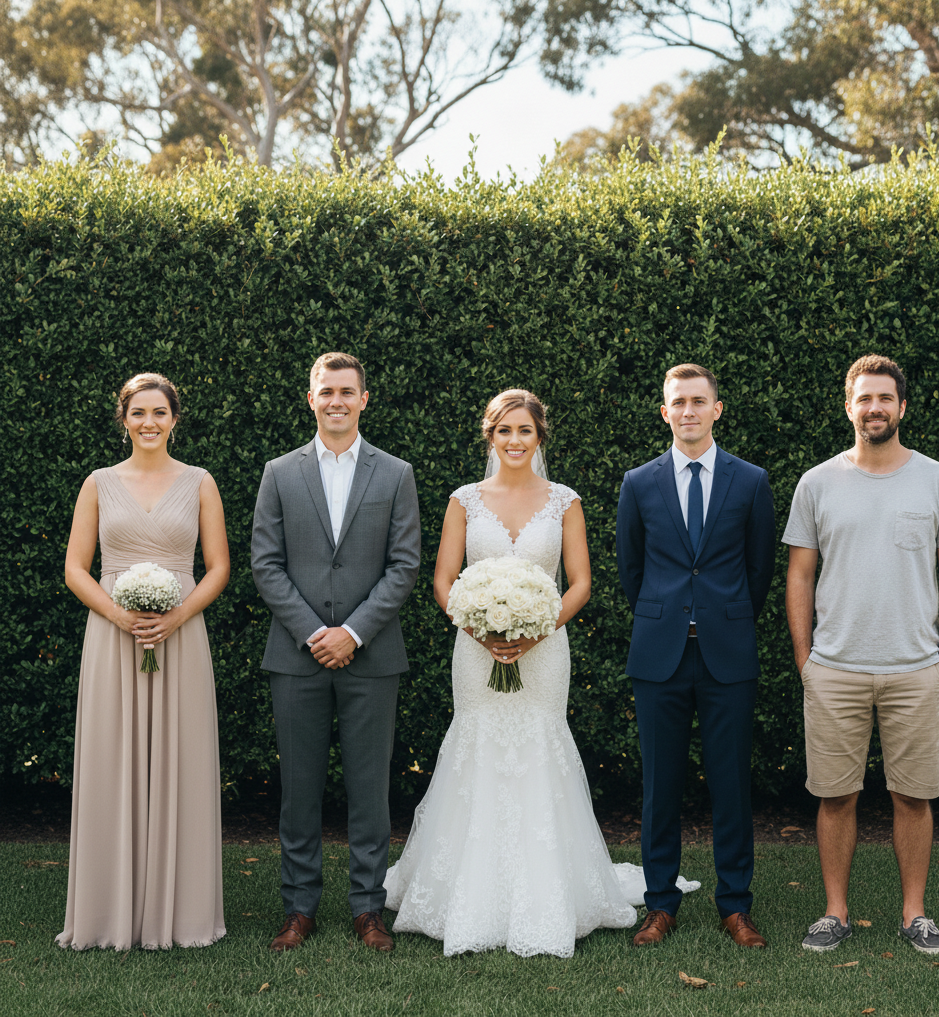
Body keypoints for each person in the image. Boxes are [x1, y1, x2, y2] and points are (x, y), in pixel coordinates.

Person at [383, 389, 696, 957]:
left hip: (546, 647)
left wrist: (537, 629)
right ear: (490, 436)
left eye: (524, 430)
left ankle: (551, 892)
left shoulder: (564, 502)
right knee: (476, 742)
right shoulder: (464, 501)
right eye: (504, 431)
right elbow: (442, 578)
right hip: (476, 650)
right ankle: (467, 893)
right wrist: (479, 629)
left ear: (539, 436)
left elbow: (579, 581)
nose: (514, 441)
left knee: (540, 744)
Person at [784, 354, 939, 955]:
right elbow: (799, 576)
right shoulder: (817, 482)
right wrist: (806, 659)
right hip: (834, 669)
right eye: (864, 398)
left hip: (915, 670)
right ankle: (835, 912)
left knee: (912, 795)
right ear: (848, 406)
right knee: (835, 795)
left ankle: (914, 913)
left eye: (884, 398)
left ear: (902, 407)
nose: (874, 408)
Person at [251, 352, 420, 954]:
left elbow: (404, 566)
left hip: (372, 658)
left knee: (370, 790)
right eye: (327, 391)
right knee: (299, 789)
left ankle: (368, 908)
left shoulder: (395, 473)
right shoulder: (280, 471)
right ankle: (299, 908)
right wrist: (312, 631)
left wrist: (352, 632)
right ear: (311, 398)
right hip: (296, 657)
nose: (337, 401)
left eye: (347, 391)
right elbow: (265, 564)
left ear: (364, 399)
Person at [58, 373, 230, 950]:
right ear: (124, 419)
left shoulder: (201, 482)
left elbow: (219, 567)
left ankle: (179, 913)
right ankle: (110, 912)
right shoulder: (99, 484)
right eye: (138, 413)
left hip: (181, 635)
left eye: (159, 412)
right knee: (113, 758)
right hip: (113, 636)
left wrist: (176, 616)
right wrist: (117, 614)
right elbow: (76, 567)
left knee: (181, 760)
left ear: (174, 419)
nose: (149, 422)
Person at [616, 363, 776, 949]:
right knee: (660, 786)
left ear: (717, 408)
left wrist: (721, 616)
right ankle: (661, 904)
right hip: (658, 655)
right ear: (665, 411)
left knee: (731, 783)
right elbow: (631, 570)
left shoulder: (751, 480)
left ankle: (735, 905)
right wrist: (668, 615)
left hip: (726, 654)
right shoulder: (639, 482)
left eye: (698, 401)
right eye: (677, 402)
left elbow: (759, 569)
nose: (688, 410)